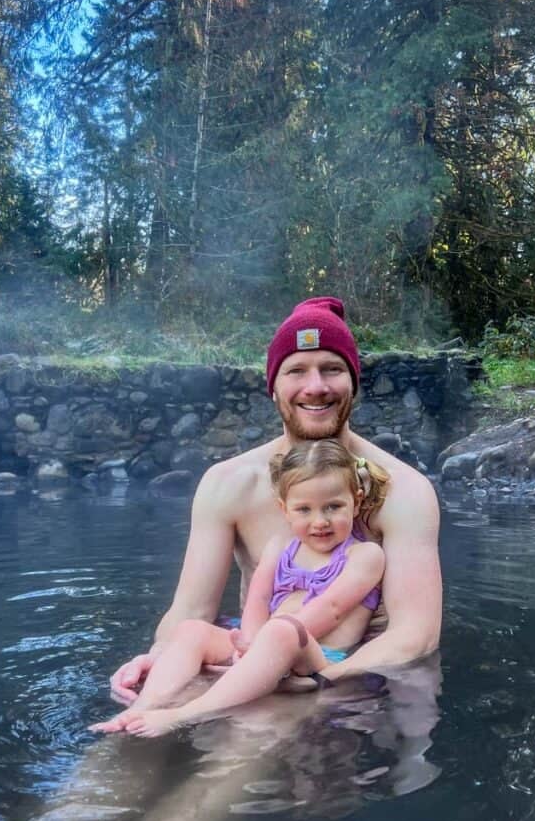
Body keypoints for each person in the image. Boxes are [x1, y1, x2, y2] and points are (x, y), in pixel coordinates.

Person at [111, 296, 442, 702]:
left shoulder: (403, 490)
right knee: (127, 741)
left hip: (345, 674)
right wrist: (158, 655)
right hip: (242, 652)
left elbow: (415, 636)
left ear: (354, 383)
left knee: (234, 760)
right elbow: (191, 610)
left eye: (332, 369)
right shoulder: (229, 483)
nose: (316, 386)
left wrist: (323, 678)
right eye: (296, 370)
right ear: (273, 386)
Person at [93, 441, 388, 735]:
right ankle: (143, 707)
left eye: (333, 507)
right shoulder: (282, 545)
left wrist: (260, 643)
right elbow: (258, 597)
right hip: (265, 643)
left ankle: (186, 713)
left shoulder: (365, 555)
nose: (319, 521)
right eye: (304, 510)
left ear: (357, 501)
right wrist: (247, 643)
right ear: (285, 509)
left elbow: (332, 609)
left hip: (318, 658)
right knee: (192, 630)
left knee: (283, 629)